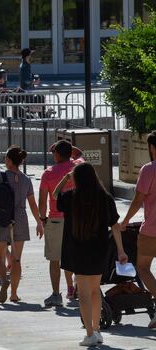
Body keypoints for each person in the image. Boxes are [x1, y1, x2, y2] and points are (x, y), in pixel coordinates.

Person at [55, 163, 127, 346]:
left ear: (77, 179)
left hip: (78, 250)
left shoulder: (72, 197)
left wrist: (65, 178)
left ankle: (89, 334)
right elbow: (115, 225)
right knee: (95, 290)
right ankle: (96, 329)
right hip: (99, 250)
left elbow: (55, 195)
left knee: (84, 293)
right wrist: (120, 250)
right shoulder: (105, 197)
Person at [0, 146, 43, 304]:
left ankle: (4, 279)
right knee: (16, 259)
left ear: (9, 160)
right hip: (20, 218)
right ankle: (13, 293)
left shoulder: (0, 176)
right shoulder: (26, 180)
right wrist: (39, 222)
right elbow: (32, 204)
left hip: (2, 217)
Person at [39, 140, 84, 307]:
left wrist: (42, 219)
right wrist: (70, 149)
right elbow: (79, 154)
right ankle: (78, 287)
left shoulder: (48, 173)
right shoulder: (78, 166)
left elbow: (42, 200)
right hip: (77, 218)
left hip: (56, 218)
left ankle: (56, 294)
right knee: (77, 255)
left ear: (56, 154)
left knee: (55, 259)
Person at [121, 130, 156, 328]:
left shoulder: (149, 170)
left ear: (152, 147)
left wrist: (125, 221)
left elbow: (137, 200)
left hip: (151, 229)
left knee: (142, 268)